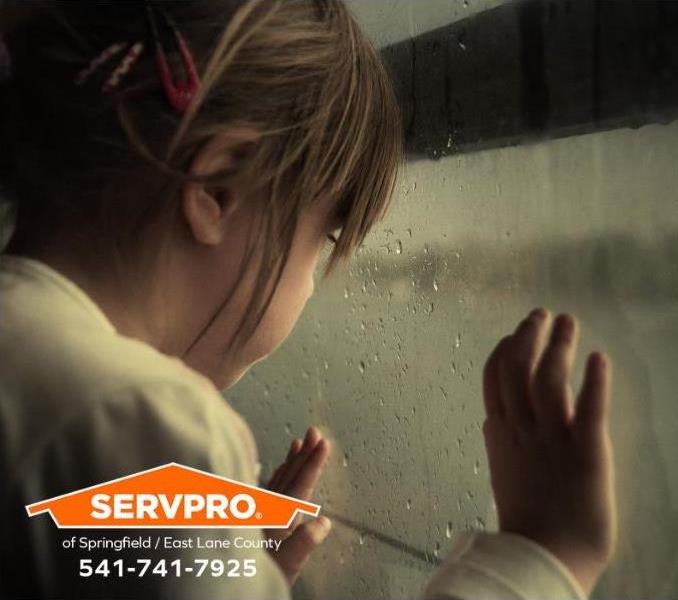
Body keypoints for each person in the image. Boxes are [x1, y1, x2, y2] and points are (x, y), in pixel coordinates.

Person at [0, 1, 616, 598]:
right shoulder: (147, 424)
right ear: (218, 188)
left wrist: (224, 567)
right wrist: (539, 556)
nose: (311, 282)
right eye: (321, 241)